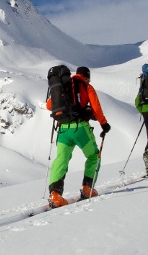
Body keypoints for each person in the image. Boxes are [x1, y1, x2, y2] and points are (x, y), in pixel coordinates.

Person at [45, 66, 111, 208]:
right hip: (80, 128)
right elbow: (96, 108)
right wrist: (104, 124)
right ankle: (87, 189)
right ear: (87, 76)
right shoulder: (86, 86)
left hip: (63, 129)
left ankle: (55, 195)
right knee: (94, 155)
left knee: (61, 159)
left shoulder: (63, 86)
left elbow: (49, 105)